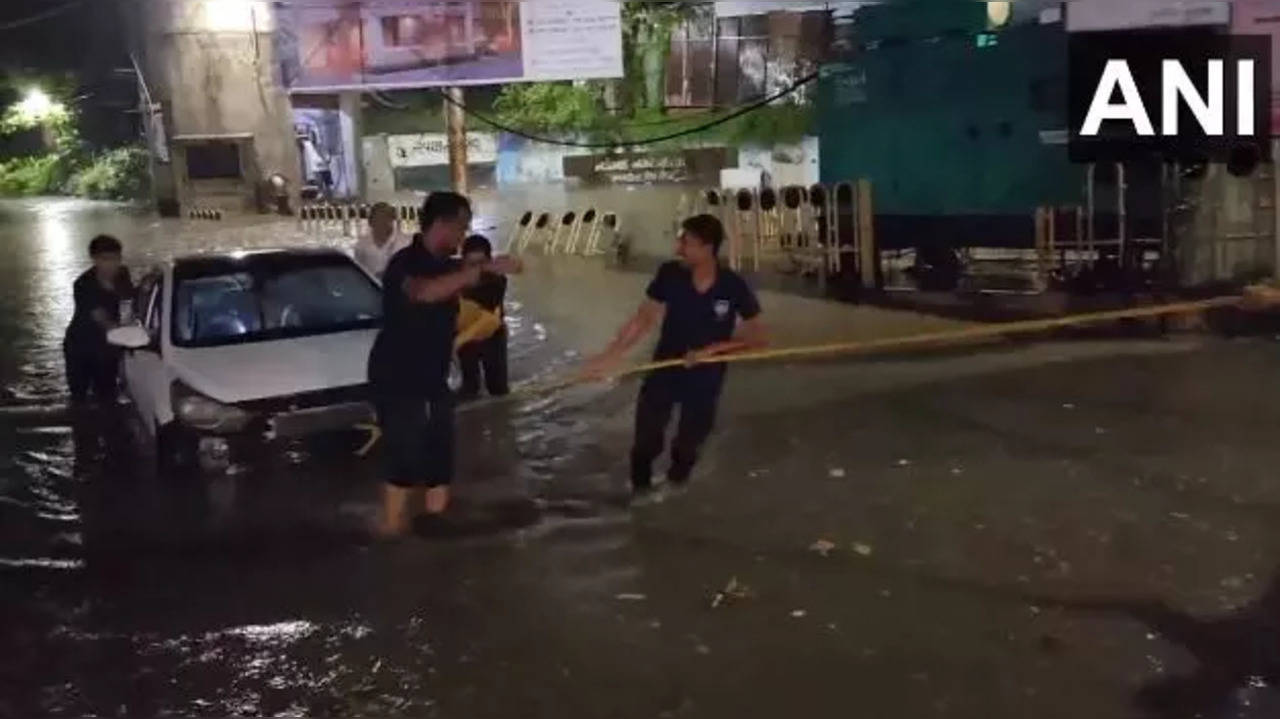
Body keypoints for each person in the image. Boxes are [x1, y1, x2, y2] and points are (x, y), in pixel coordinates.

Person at [367, 192, 522, 537]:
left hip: (435, 374)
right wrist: (474, 273)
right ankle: (390, 531)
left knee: (440, 455)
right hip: (396, 375)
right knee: (403, 454)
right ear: (442, 224)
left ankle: (435, 527)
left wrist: (495, 270)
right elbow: (425, 292)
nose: (463, 237)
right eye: (461, 228)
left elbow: (478, 295)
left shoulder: (454, 267)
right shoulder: (403, 264)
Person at [581, 214, 767, 500]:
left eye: (686, 243)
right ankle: (639, 496)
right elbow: (643, 319)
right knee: (645, 442)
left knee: (687, 446)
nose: (678, 249)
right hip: (665, 368)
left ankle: (674, 491)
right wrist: (611, 355)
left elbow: (758, 337)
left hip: (706, 376)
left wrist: (712, 351)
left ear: (708, 248)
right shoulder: (670, 273)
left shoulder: (732, 286)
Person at [63, 235, 134, 407]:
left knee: (108, 394)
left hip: (108, 347)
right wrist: (126, 336)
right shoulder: (83, 285)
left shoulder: (123, 275)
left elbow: (129, 302)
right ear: (94, 259)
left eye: (116, 259)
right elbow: (101, 318)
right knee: (79, 397)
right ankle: (82, 429)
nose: (111, 265)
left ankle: (109, 428)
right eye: (105, 259)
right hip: (80, 348)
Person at [456, 234, 509, 400]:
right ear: (463, 262)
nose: (477, 269)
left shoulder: (497, 281)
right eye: (472, 264)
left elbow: (488, 317)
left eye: (482, 264)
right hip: (466, 336)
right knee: (470, 388)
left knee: (499, 390)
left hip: (491, 335)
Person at [353, 201, 408, 279]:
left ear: (392, 220)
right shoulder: (361, 245)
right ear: (370, 222)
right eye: (378, 218)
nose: (383, 222)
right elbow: (358, 274)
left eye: (386, 218)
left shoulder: (405, 243)